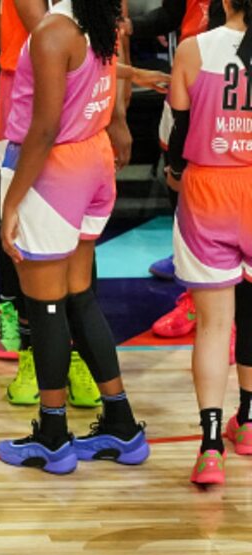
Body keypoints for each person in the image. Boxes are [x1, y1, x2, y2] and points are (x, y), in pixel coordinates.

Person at [0, 0, 150, 474]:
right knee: (79, 297)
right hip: (95, 162)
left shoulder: (52, 31)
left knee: (44, 307)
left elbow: (43, 130)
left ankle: (53, 435)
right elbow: (86, 70)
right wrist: (140, 73)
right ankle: (122, 424)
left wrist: (12, 203)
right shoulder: (96, 20)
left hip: (54, 170)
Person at [164, 0, 252, 485]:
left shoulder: (195, 48)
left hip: (208, 189)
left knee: (215, 327)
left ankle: (211, 447)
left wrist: (176, 172)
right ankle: (251, 422)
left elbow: (179, 127)